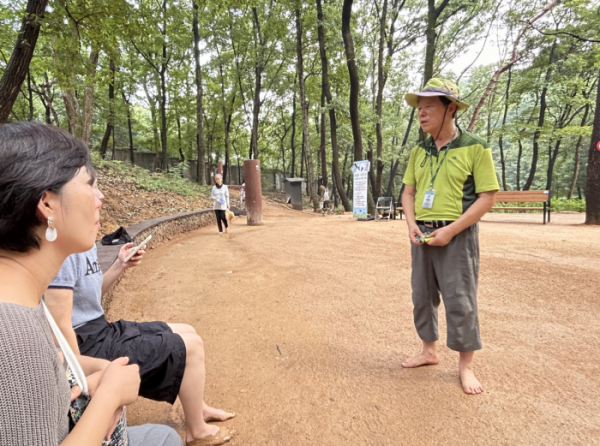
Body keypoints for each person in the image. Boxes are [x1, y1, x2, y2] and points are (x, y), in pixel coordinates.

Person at [0, 121, 183, 446]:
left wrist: (98, 371)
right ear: (47, 204)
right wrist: (109, 397)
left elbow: (44, 368)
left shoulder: (23, 298)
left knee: (163, 436)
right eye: (90, 184)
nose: (100, 198)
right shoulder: (13, 334)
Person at [45, 193, 236, 446]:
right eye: (90, 186)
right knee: (192, 346)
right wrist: (88, 383)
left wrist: (118, 266)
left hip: (103, 328)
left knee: (188, 330)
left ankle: (197, 409)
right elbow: (61, 329)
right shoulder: (64, 247)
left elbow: (90, 300)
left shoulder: (85, 242)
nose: (101, 195)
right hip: (89, 344)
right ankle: (196, 431)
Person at [400, 78, 499, 395]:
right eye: (419, 107)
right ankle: (428, 351)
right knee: (421, 295)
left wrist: (451, 230)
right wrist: (411, 224)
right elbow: (408, 192)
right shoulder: (420, 150)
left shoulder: (475, 146)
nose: (421, 113)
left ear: (450, 108)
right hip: (423, 233)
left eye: (429, 106)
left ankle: (465, 366)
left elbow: (487, 197)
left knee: (460, 299)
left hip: (456, 233)